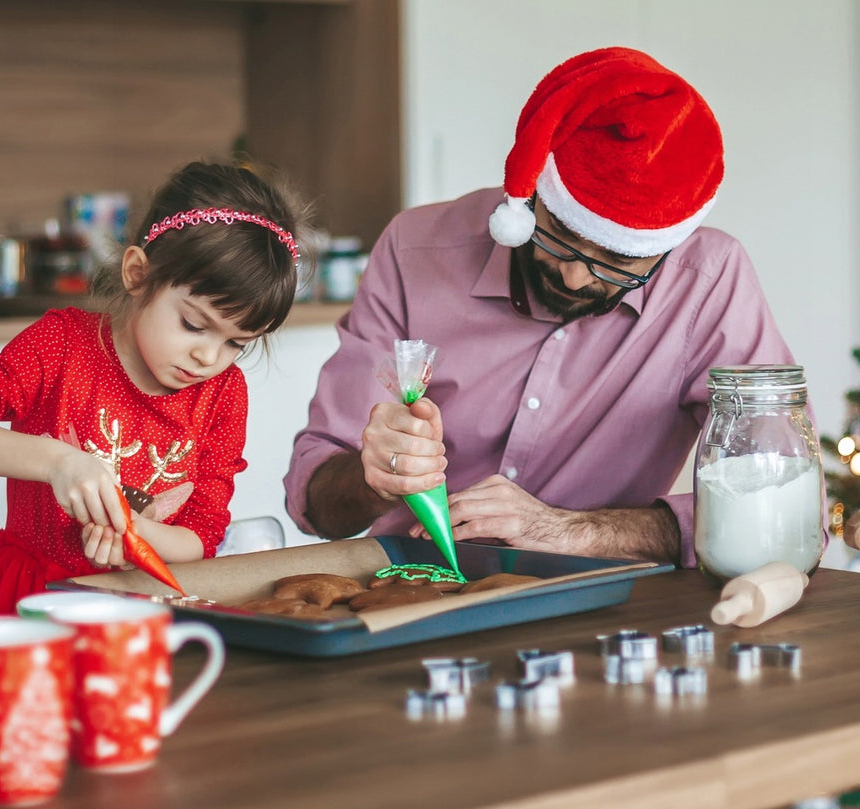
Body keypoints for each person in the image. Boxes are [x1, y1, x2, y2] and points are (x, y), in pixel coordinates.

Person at [284, 46, 819, 569]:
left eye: (617, 260)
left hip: (602, 604)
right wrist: (371, 478)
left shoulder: (706, 280)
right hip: (415, 583)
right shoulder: (415, 248)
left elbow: (784, 511)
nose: (574, 274)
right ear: (530, 194)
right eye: (559, 235)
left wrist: (566, 530)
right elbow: (316, 502)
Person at [0, 160, 308, 616]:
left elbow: (203, 533)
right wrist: (58, 463)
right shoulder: (61, 346)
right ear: (138, 273)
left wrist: (136, 535)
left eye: (236, 342)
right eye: (193, 325)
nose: (209, 357)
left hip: (140, 605)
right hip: (27, 602)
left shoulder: (222, 392)